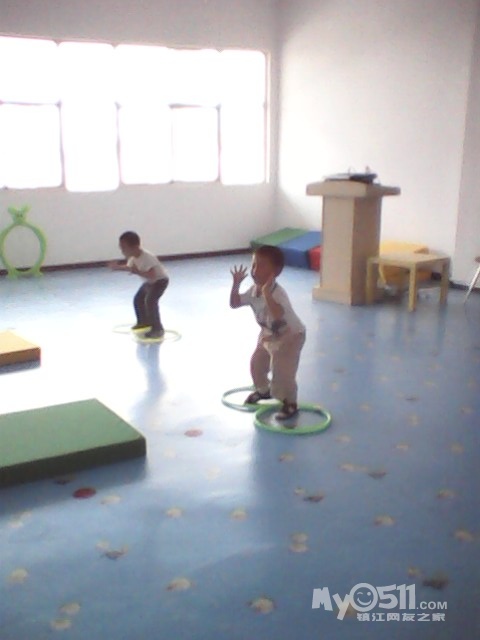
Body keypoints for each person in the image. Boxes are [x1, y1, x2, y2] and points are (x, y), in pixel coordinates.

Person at [229, 245, 306, 420]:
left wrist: (266, 293)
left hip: (291, 336)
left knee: (282, 372)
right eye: (254, 265)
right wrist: (236, 285)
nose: (255, 270)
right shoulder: (253, 291)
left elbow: (278, 314)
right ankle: (264, 391)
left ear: (275, 272)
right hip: (268, 335)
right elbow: (234, 303)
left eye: (261, 265)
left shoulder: (277, 292)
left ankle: (290, 402)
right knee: (256, 364)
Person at [109, 231, 169, 339]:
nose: (122, 251)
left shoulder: (147, 257)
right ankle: (143, 322)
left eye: (124, 248)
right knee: (138, 299)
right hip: (149, 282)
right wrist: (117, 268)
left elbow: (152, 275)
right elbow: (130, 268)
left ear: (134, 247)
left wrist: (137, 272)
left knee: (150, 302)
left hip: (160, 281)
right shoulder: (133, 257)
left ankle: (158, 329)